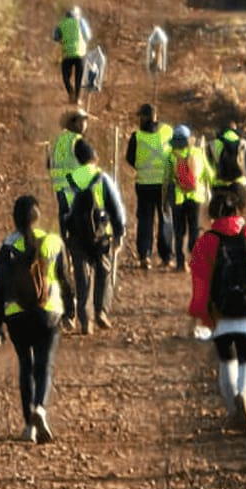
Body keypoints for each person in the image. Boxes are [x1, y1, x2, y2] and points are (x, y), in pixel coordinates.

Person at [186, 188, 246, 433]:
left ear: (213, 213)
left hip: (221, 313)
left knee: (227, 361)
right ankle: (244, 398)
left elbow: (200, 280)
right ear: (239, 210)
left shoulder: (206, 242)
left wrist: (201, 313)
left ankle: (233, 412)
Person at [0, 194, 74, 443]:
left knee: (25, 365)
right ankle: (40, 407)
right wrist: (70, 311)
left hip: (17, 316)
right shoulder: (53, 242)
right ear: (38, 217)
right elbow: (65, 280)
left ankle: (29, 426)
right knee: (44, 364)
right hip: (49, 312)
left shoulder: (7, 247)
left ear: (14, 220)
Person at [61, 139, 126, 335]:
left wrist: (65, 235)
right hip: (100, 235)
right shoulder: (102, 178)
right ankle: (101, 311)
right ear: (94, 158)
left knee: (81, 278)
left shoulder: (69, 179)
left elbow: (64, 211)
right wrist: (119, 232)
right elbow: (115, 207)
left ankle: (84, 319)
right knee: (104, 272)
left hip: (77, 237)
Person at [125, 102, 174, 270]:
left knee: (145, 220)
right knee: (165, 219)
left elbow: (129, 158)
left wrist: (142, 167)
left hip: (144, 184)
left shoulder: (137, 137)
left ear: (144, 118)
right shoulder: (167, 132)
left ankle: (144, 256)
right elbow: (175, 154)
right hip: (164, 184)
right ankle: (166, 257)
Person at [164, 124, 212, 272]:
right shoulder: (198, 153)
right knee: (194, 229)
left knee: (179, 232)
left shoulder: (171, 156)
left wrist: (165, 197)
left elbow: (166, 179)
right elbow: (209, 174)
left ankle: (180, 263)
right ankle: (194, 257)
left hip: (178, 198)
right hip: (196, 197)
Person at [47, 108, 89, 231]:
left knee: (64, 220)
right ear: (73, 123)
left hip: (60, 188)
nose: (84, 125)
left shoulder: (57, 141)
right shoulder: (76, 141)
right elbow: (91, 163)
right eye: (81, 121)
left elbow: (49, 163)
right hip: (74, 189)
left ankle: (67, 246)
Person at [52, 5, 92, 104]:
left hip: (67, 54)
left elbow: (55, 37)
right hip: (80, 54)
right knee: (79, 77)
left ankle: (71, 92)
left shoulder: (62, 23)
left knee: (66, 77)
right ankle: (77, 98)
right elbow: (88, 36)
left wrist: (63, 39)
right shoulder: (81, 21)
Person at [210, 123, 246, 203]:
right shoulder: (243, 144)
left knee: (219, 212)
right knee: (240, 209)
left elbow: (209, 166)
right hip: (240, 183)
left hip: (219, 186)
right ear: (236, 130)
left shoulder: (213, 144)